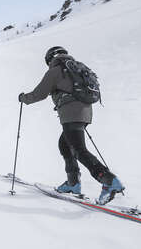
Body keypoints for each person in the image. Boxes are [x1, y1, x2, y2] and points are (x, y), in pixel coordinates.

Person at [18, 46, 124, 205]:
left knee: (79, 150)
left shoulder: (56, 70)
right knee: (65, 145)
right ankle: (73, 183)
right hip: (85, 113)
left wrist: (24, 98)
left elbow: (40, 93)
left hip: (71, 113)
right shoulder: (78, 67)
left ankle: (108, 180)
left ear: (50, 59)